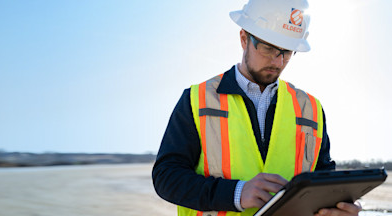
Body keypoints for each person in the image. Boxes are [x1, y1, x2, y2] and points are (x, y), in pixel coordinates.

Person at [151, 0, 361, 215]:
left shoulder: (311, 109)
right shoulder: (197, 100)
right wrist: (235, 193)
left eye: (287, 51)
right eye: (268, 47)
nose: (278, 62)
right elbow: (166, 177)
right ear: (244, 38)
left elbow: (322, 181)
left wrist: (338, 206)